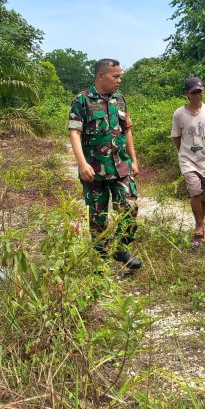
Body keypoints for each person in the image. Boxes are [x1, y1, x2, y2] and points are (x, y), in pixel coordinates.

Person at [68, 58, 141, 270]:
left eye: (120, 76)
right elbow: (74, 132)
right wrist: (82, 164)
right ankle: (100, 261)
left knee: (130, 206)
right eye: (115, 76)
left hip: (121, 167)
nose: (119, 80)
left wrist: (133, 159)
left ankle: (121, 248)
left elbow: (127, 130)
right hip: (94, 170)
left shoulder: (119, 99)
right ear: (101, 75)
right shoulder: (82, 100)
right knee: (98, 216)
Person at [171, 77, 205, 245]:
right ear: (187, 94)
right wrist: (184, 152)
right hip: (188, 159)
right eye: (194, 92)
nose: (198, 94)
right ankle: (199, 225)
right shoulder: (179, 114)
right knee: (195, 190)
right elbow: (176, 137)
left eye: (200, 91)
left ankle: (201, 226)